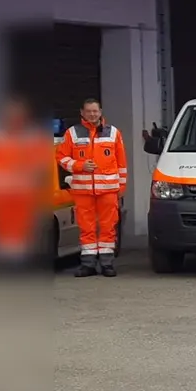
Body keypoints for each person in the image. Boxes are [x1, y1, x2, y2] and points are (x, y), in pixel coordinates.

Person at [57, 98, 127, 277]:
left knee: (108, 227)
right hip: (83, 190)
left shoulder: (114, 133)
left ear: (101, 112)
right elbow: (61, 157)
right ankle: (87, 265)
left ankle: (107, 264)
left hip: (109, 190)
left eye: (95, 111)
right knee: (86, 228)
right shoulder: (72, 133)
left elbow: (121, 163)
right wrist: (80, 166)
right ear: (82, 112)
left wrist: (121, 186)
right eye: (88, 111)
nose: (92, 114)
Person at [0, 96, 52, 267]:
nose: (14, 119)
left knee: (21, 231)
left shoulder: (34, 137)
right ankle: (4, 260)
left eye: (18, 115)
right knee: (2, 230)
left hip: (23, 194)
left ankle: (17, 261)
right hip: (0, 194)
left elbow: (42, 165)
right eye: (11, 115)